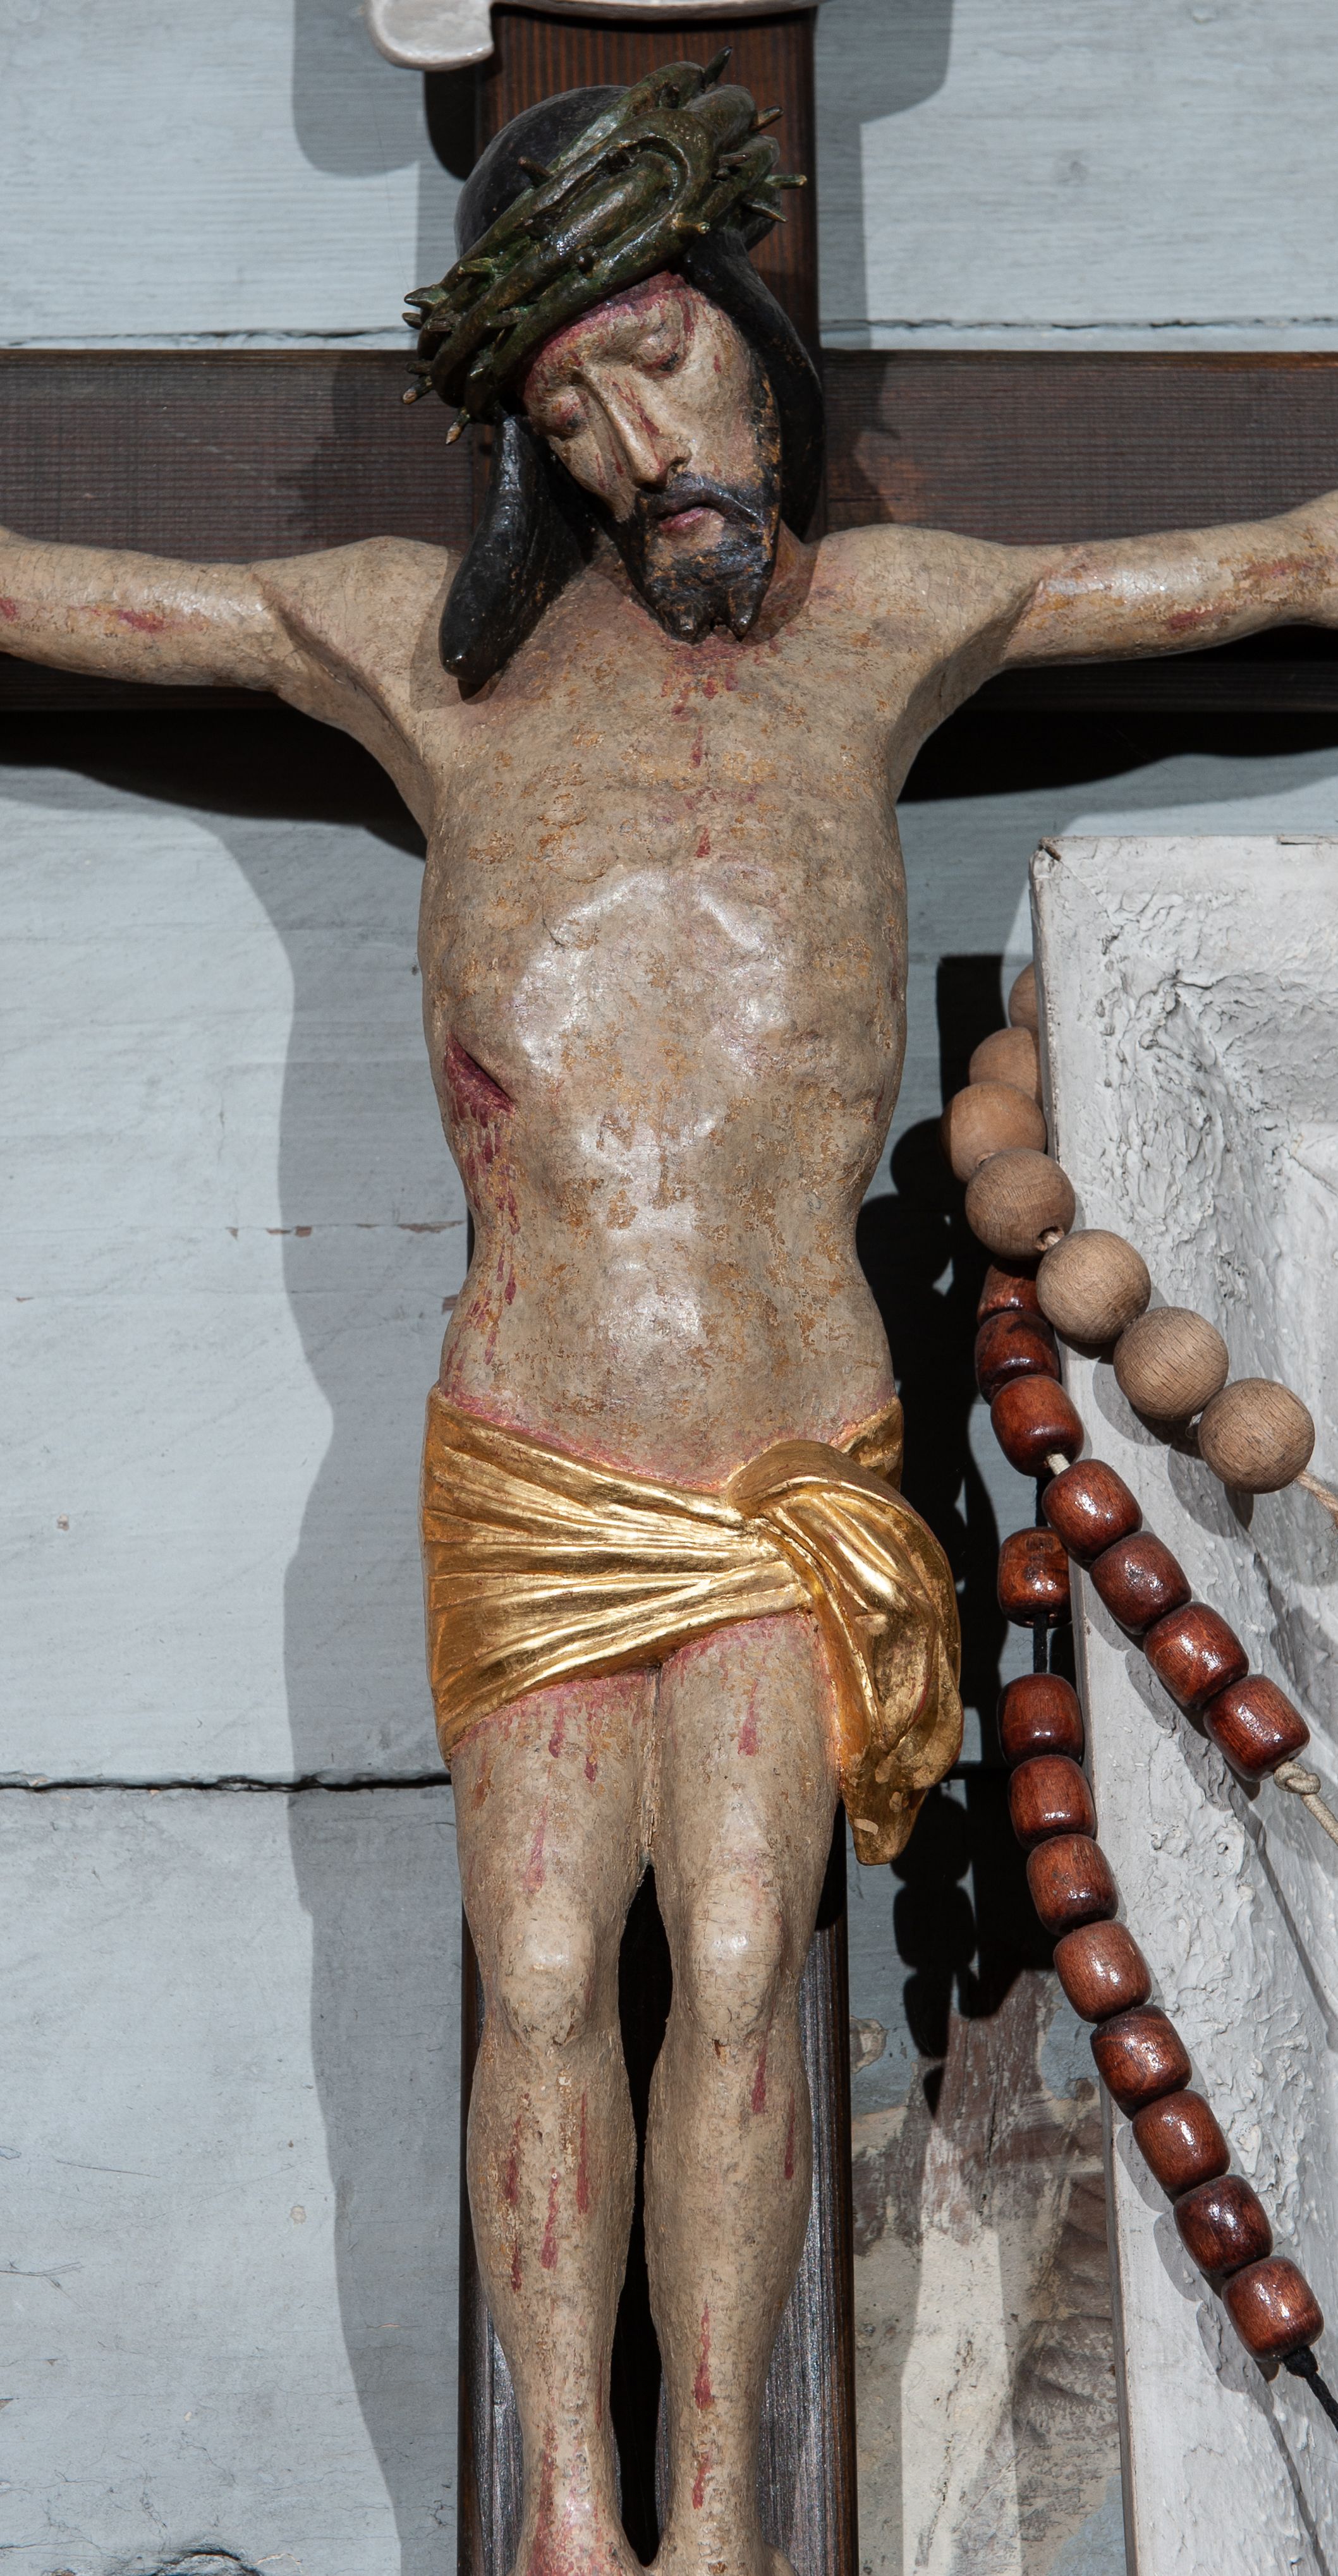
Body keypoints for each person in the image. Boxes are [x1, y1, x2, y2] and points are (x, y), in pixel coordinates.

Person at [4, 57, 1337, 2576]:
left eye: (659, 360)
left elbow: (1263, 562)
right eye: (569, 413)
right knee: (535, 1963)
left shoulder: (901, 628)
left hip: (784, 1437)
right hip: (533, 1426)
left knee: (736, 1956)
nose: (636, 445)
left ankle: (713, 2519)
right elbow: (88, 600)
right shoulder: (435, 659)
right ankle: (569, 2519)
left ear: (748, 326)